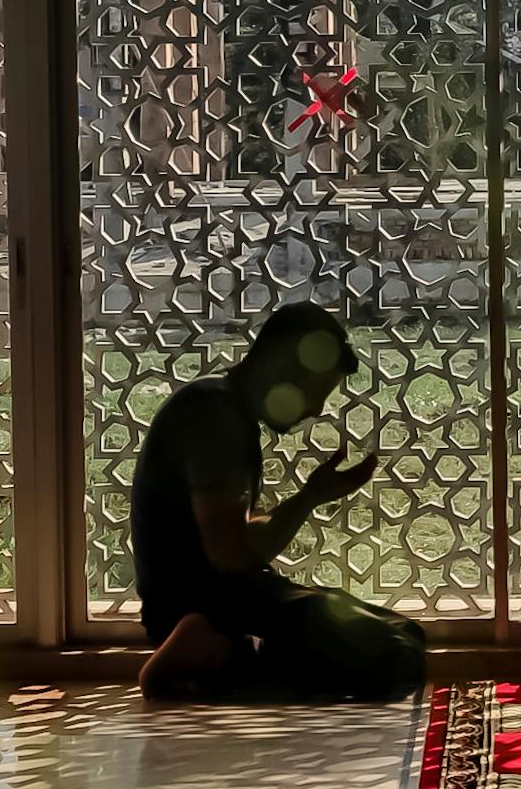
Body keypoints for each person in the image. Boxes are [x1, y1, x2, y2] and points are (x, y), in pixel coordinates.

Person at [130, 301, 428, 704]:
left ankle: (230, 653)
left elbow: (239, 541)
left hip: (232, 598)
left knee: (407, 636)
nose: (316, 410)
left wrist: (311, 496)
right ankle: (215, 646)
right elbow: (231, 557)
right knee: (397, 656)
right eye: (316, 393)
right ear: (282, 368)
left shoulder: (229, 414)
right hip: (209, 602)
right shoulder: (213, 414)